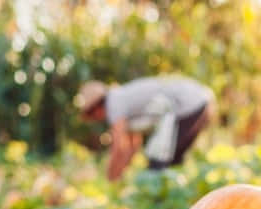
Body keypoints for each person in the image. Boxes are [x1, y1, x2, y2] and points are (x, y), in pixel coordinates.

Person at [76, 76, 214, 181]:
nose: (95, 119)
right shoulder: (121, 101)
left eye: (91, 115)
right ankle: (177, 199)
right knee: (171, 162)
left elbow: (118, 147)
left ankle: (167, 201)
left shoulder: (113, 103)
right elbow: (132, 145)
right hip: (197, 101)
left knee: (159, 162)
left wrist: (109, 179)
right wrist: (121, 175)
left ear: (96, 108)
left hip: (188, 104)